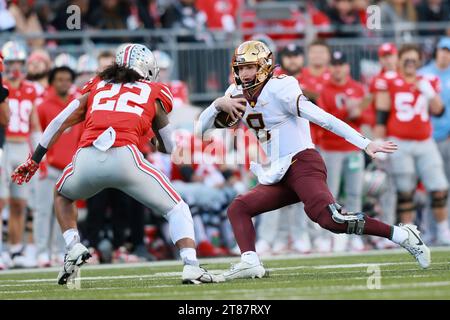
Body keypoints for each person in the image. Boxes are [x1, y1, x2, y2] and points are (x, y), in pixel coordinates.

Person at [198, 40, 430, 280]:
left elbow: (323, 118)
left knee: (332, 220)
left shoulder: (281, 87)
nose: (244, 73)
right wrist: (216, 105)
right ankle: (250, 262)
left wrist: (365, 143)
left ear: (265, 66)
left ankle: (402, 235)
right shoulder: (233, 94)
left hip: (303, 163)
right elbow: (200, 131)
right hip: (280, 170)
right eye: (241, 68)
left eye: (250, 67)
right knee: (239, 207)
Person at [11, 43, 223, 285]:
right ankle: (191, 265)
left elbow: (60, 122)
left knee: (61, 195)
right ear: (147, 69)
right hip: (125, 158)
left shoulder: (97, 86)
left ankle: (74, 246)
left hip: (87, 156)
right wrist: (151, 136)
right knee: (177, 208)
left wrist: (35, 159)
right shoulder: (154, 91)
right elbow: (169, 148)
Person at [374, 44, 450, 245]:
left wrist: (429, 93)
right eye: (406, 59)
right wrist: (379, 142)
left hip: (425, 141)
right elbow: (381, 115)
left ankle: (443, 230)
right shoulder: (388, 80)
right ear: (399, 61)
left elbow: (439, 110)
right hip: (399, 142)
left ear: (419, 61)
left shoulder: (429, 81)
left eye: (413, 59)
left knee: (439, 187)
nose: (409, 62)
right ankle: (408, 233)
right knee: (405, 190)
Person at [317, 50, 367, 252]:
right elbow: (324, 121)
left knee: (355, 193)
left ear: (347, 67)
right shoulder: (324, 90)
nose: (338, 68)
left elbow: (366, 118)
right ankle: (327, 235)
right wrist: (347, 111)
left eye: (341, 64)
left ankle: (355, 235)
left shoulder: (357, 88)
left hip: (353, 149)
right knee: (330, 195)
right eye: (335, 65)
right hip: (331, 149)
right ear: (330, 67)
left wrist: (358, 113)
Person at [35, 66, 82, 268]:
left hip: (69, 168)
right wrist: (40, 162)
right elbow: (38, 135)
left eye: (66, 79)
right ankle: (41, 252)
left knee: (62, 212)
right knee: (43, 210)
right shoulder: (43, 106)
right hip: (50, 165)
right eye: (59, 79)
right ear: (52, 82)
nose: (63, 83)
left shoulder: (77, 106)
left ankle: (57, 251)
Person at [0, 41, 41, 268]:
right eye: (11, 62)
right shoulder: (2, 86)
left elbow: (34, 124)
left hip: (21, 148)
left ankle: (15, 250)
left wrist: (38, 155)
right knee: (1, 200)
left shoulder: (30, 89)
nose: (15, 67)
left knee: (19, 203)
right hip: (3, 146)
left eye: (18, 62)